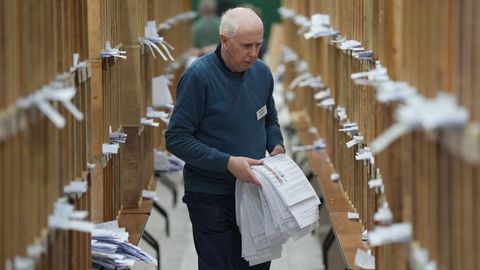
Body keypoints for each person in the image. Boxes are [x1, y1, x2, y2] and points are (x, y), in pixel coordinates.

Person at [165, 7, 284, 270]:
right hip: (211, 197)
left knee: (257, 264)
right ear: (224, 40)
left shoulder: (262, 73)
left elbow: (270, 120)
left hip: (254, 194)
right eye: (246, 46)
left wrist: (276, 147)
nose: (254, 53)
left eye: (258, 45)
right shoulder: (198, 77)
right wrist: (227, 162)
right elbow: (176, 137)